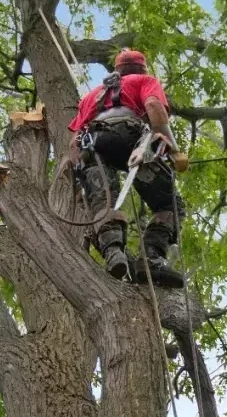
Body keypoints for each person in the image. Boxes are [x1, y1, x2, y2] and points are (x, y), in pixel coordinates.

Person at [68, 49, 188, 287]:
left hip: (92, 147)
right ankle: (151, 259)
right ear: (141, 68)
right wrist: (174, 151)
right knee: (170, 205)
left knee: (103, 200)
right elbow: (154, 107)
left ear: (118, 70)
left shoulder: (92, 96)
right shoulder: (144, 81)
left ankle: (113, 253)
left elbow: (73, 144)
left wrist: (79, 177)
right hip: (129, 139)